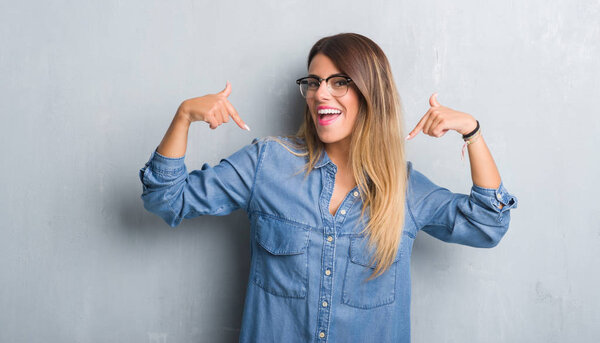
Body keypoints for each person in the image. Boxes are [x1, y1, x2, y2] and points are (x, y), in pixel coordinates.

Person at [138, 32, 518, 343]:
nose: (320, 94)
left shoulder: (404, 189)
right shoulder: (267, 164)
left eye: (339, 82)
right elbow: (166, 199)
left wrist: (472, 133)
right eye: (314, 82)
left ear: (371, 93)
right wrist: (184, 116)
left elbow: (488, 224)